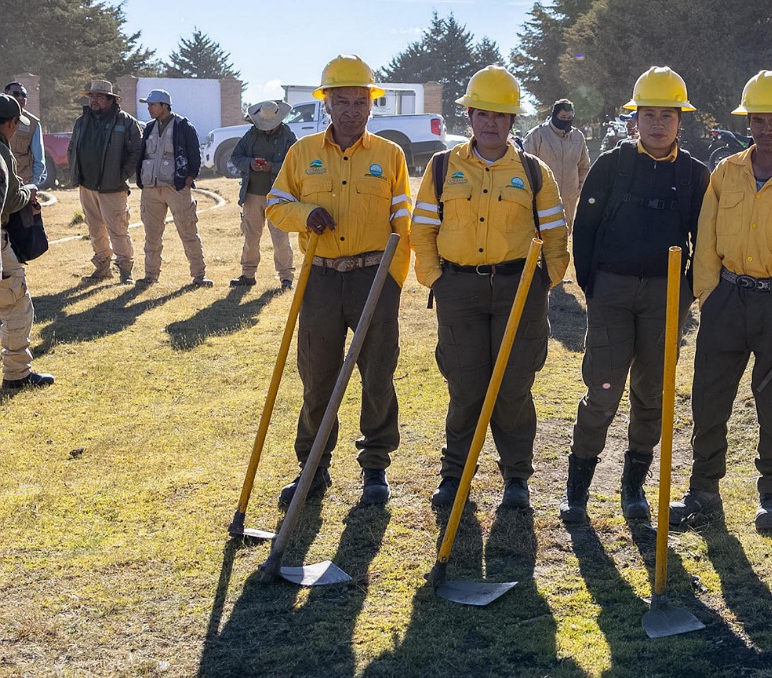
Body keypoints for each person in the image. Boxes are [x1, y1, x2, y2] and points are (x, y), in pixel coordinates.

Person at [669, 70, 772, 531]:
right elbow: (706, 237)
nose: (766, 129)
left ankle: (771, 496)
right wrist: (708, 295)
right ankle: (703, 491)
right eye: (758, 120)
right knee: (709, 399)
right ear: (749, 122)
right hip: (727, 299)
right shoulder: (727, 171)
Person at [411, 65, 569, 511]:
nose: (491, 123)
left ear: (512, 120)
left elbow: (556, 236)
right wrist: (437, 280)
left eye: (500, 115)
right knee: (465, 386)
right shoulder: (443, 167)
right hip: (458, 290)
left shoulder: (535, 172)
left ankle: (517, 477)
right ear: (470, 117)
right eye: (483, 114)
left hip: (520, 291)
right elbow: (422, 229)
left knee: (513, 386)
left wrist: (545, 282)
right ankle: (454, 475)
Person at [560, 66, 710, 524]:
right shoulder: (612, 165)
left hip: (667, 296)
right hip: (611, 291)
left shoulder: (694, 174)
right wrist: (593, 285)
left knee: (651, 395)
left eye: (667, 115)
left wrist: (686, 292)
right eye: (649, 115)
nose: (658, 124)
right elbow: (584, 228)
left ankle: (633, 487)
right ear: (635, 118)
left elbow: (704, 240)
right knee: (602, 393)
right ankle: (577, 491)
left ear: (680, 120)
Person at [265, 55, 411, 507]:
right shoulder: (302, 153)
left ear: (371, 105)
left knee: (378, 375)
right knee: (317, 377)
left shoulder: (390, 155)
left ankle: (375, 469)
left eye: (360, 102)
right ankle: (313, 467)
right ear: (326, 103)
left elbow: (403, 222)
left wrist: (392, 280)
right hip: (321, 279)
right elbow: (275, 205)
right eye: (342, 102)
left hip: (374, 278)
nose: (351, 111)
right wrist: (305, 213)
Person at [0, 93, 53, 390]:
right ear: (9, 124)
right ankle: (17, 373)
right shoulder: (2, 153)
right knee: (17, 304)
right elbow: (8, 202)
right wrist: (27, 192)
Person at [67, 79, 142, 284]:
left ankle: (125, 270)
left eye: (99, 97)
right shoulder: (81, 121)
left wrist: (121, 175)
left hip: (113, 187)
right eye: (92, 96)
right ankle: (102, 268)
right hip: (87, 185)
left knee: (118, 229)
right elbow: (72, 147)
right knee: (95, 229)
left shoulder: (125, 121)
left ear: (111, 100)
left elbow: (137, 151)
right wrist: (76, 172)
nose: (94, 100)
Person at [134, 90, 211, 287]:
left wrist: (189, 178)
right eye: (148, 105)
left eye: (152, 105)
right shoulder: (149, 128)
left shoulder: (183, 126)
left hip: (176, 187)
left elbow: (194, 155)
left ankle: (199, 275)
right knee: (151, 236)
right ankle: (150, 275)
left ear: (164, 106)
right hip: (151, 188)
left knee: (188, 232)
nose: (149, 109)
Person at [230, 100, 297, 289]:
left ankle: (286, 277)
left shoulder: (288, 136)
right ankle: (248, 275)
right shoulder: (251, 134)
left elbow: (296, 163)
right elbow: (236, 157)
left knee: (280, 238)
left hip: (278, 195)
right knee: (251, 237)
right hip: (252, 195)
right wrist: (250, 163)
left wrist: (272, 167)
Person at [521, 98, 590, 233]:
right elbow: (525, 166)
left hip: (569, 200)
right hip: (542, 199)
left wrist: (578, 189)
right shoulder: (537, 135)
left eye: (569, 118)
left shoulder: (578, 137)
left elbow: (584, 166)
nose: (566, 120)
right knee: (542, 235)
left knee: (563, 235)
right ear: (554, 115)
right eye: (562, 117)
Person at [3, 82, 46, 187]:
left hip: (22, 183)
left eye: (24, 95)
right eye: (16, 94)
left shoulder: (33, 123)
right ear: (6, 95)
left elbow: (39, 158)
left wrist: (33, 183)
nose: (21, 97)